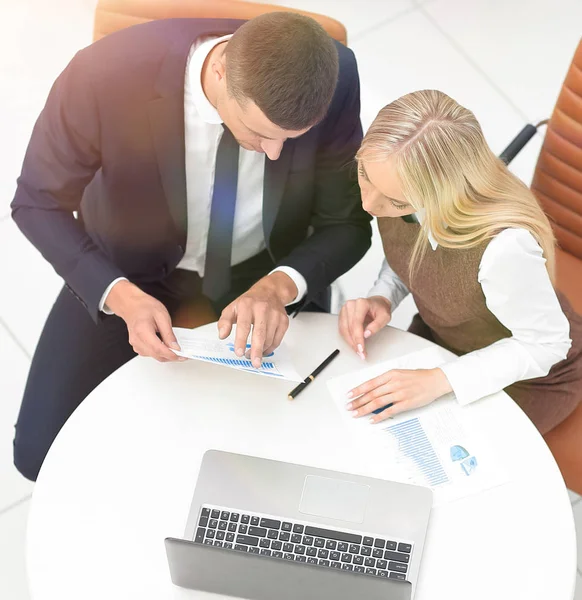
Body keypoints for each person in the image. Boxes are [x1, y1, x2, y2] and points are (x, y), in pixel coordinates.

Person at [11, 12, 371, 481]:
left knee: (281, 460)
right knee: (39, 454)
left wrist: (280, 287)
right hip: (128, 270)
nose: (276, 152)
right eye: (260, 133)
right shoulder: (102, 75)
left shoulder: (337, 78)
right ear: (220, 71)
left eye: (290, 140)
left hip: (263, 276)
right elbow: (36, 203)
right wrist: (119, 295)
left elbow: (348, 223)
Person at [339, 89, 582, 494]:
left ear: (442, 193)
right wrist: (384, 295)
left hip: (530, 372)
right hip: (443, 338)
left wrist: (440, 379)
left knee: (445, 478)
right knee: (368, 433)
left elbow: (546, 345)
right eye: (364, 174)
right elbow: (410, 251)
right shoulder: (392, 185)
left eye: (395, 200)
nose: (369, 204)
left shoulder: (504, 248)